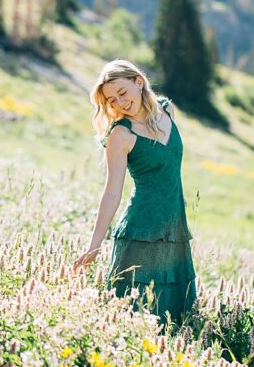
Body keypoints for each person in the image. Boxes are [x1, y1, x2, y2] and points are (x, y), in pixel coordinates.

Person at [73, 60, 197, 325]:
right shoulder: (121, 135)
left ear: (138, 82)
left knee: (176, 322)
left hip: (174, 231)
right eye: (111, 100)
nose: (119, 102)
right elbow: (111, 193)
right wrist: (94, 245)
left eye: (122, 92)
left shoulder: (167, 110)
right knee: (135, 321)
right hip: (141, 234)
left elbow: (168, 168)